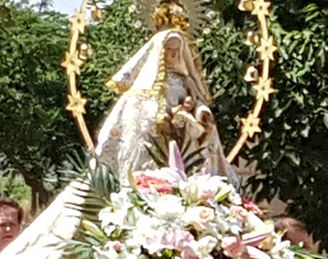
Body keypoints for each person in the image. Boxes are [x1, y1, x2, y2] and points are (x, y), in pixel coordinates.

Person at [96, 26, 239, 188]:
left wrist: (197, 110)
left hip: (184, 142)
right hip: (153, 144)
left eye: (177, 51)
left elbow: (197, 102)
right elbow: (133, 117)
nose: (173, 55)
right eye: (168, 50)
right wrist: (157, 118)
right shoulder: (143, 85)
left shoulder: (185, 81)